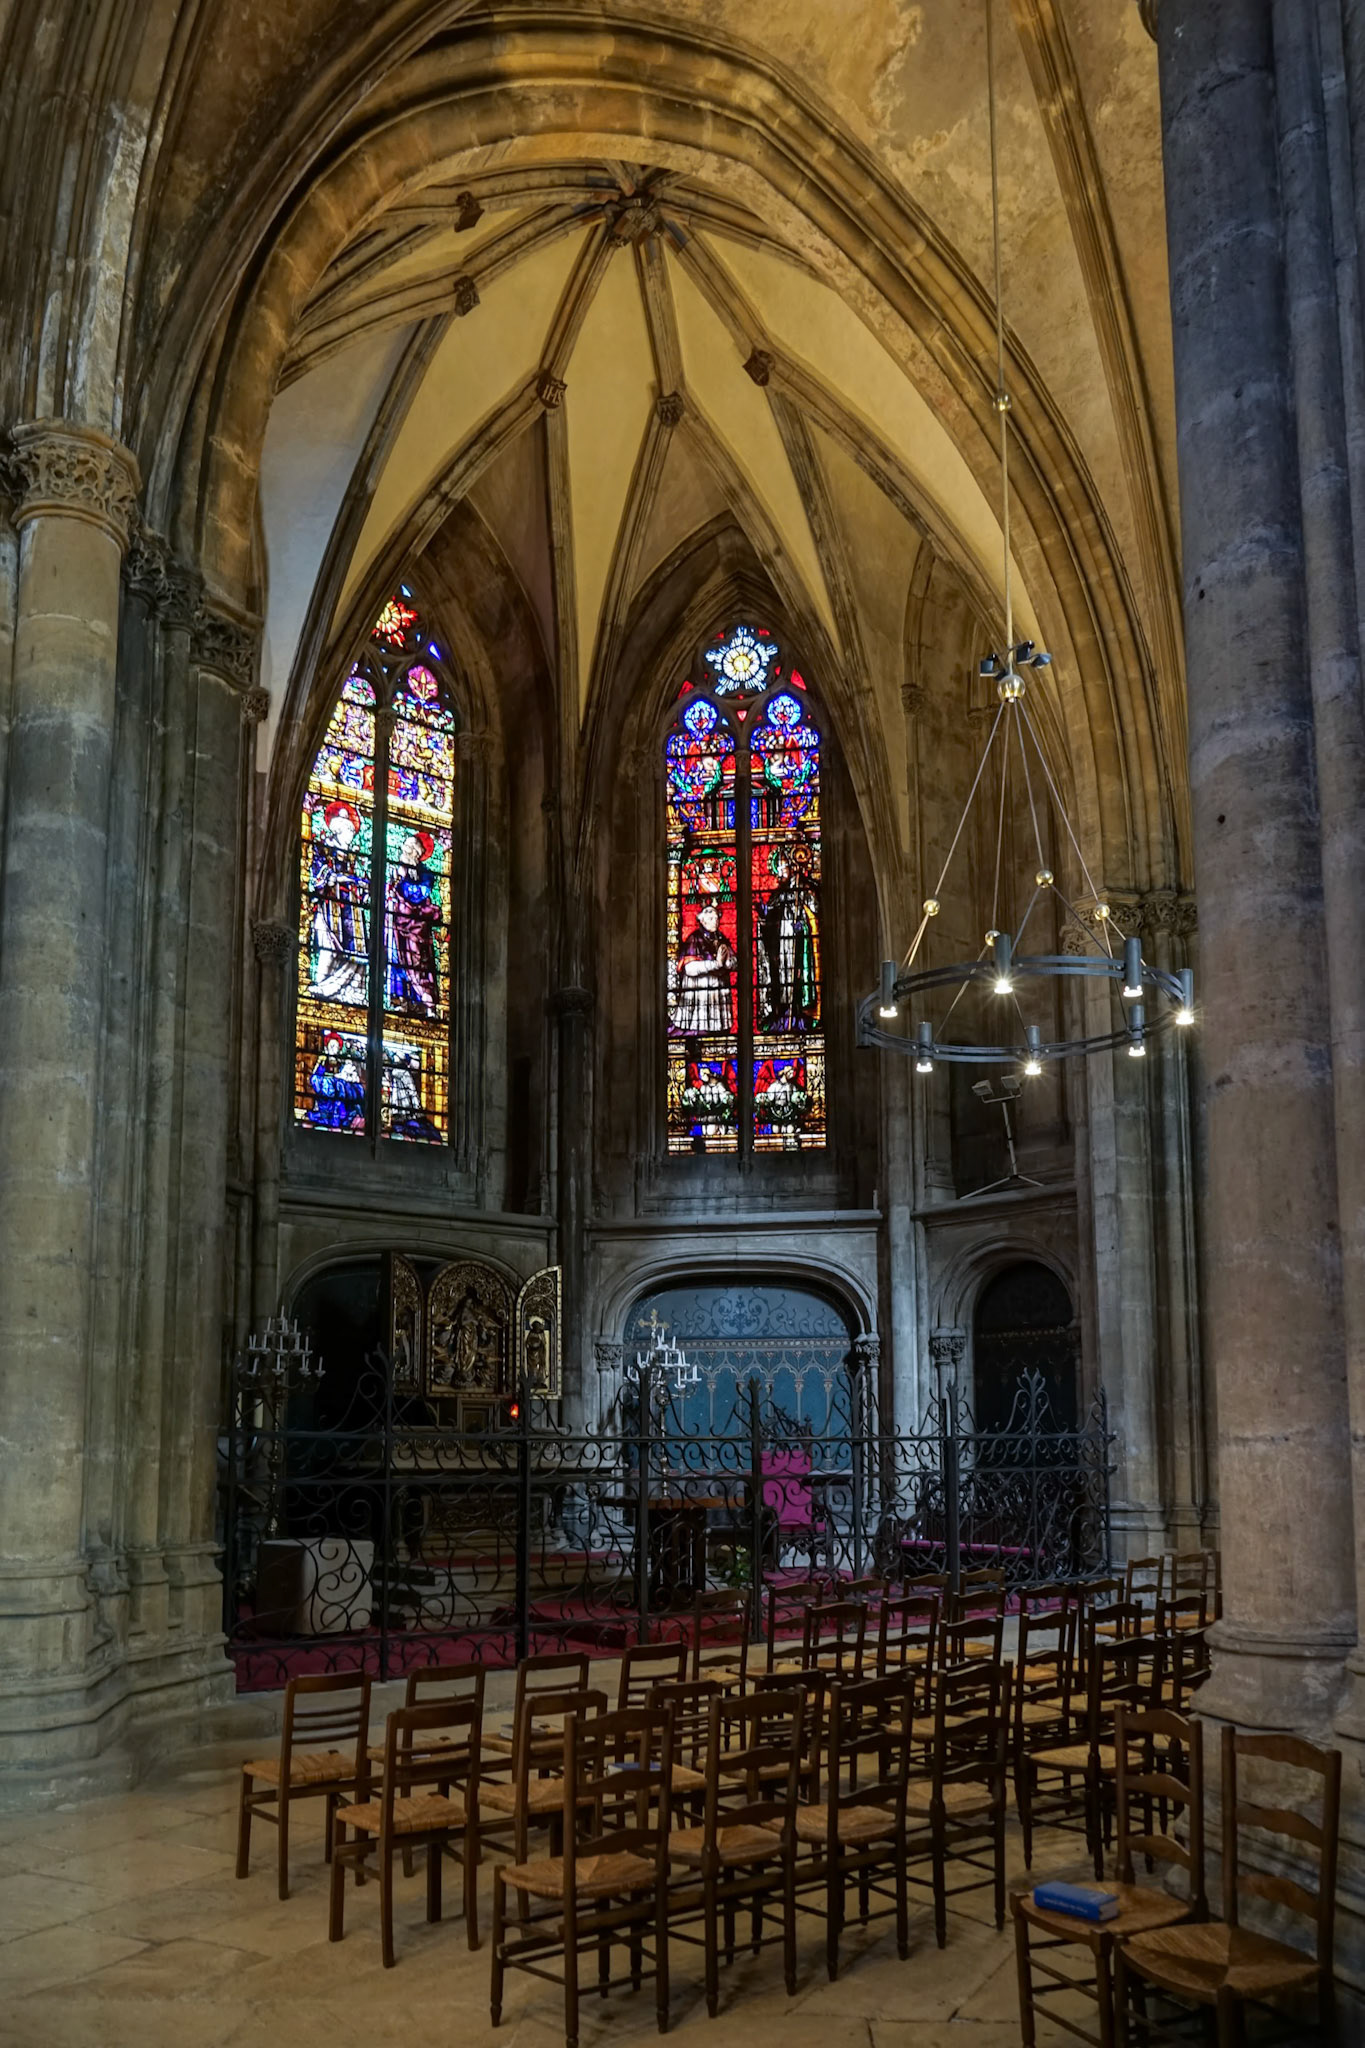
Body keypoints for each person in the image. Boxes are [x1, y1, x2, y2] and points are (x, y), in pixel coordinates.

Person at [308, 800, 369, 1006]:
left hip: (353, 910)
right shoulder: (324, 851)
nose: (351, 834)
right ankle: (323, 985)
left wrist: (364, 889)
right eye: (348, 830)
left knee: (357, 952)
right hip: (331, 906)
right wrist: (343, 879)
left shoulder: (355, 858)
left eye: (352, 830)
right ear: (338, 830)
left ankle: (355, 992)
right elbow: (321, 874)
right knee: (329, 946)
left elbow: (364, 882)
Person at [757, 839, 819, 1033]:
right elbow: (769, 919)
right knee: (781, 979)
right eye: (777, 868)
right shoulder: (777, 894)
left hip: (799, 944)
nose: (778, 873)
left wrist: (804, 924)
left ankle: (800, 1014)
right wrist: (765, 913)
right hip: (781, 945)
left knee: (798, 975)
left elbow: (816, 910)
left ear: (792, 867)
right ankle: (782, 1014)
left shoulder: (805, 890)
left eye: (782, 867)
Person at [671, 877, 737, 1036]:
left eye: (716, 917)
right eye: (711, 917)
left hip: (718, 996)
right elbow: (689, 968)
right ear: (702, 919)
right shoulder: (694, 939)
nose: (715, 921)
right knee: (700, 1031)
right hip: (699, 995)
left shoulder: (721, 938)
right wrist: (715, 964)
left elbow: (735, 962)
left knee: (719, 1033)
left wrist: (727, 962)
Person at [386, 829, 442, 1014]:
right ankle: (400, 1000)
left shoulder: (426, 875)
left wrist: (403, 881)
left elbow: (419, 894)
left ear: (418, 854)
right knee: (396, 960)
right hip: (396, 924)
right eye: (405, 848)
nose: (406, 851)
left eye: (410, 849)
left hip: (417, 927)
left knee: (418, 964)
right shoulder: (395, 869)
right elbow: (389, 892)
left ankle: (423, 1003)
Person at [306, 1031, 366, 1130]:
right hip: (326, 1099)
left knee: (341, 1086)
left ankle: (343, 1115)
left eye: (336, 1046)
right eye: (332, 1046)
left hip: (340, 1098)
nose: (334, 1049)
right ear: (326, 1048)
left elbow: (351, 1082)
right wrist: (330, 1081)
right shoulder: (322, 1064)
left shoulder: (342, 1066)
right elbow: (315, 1079)